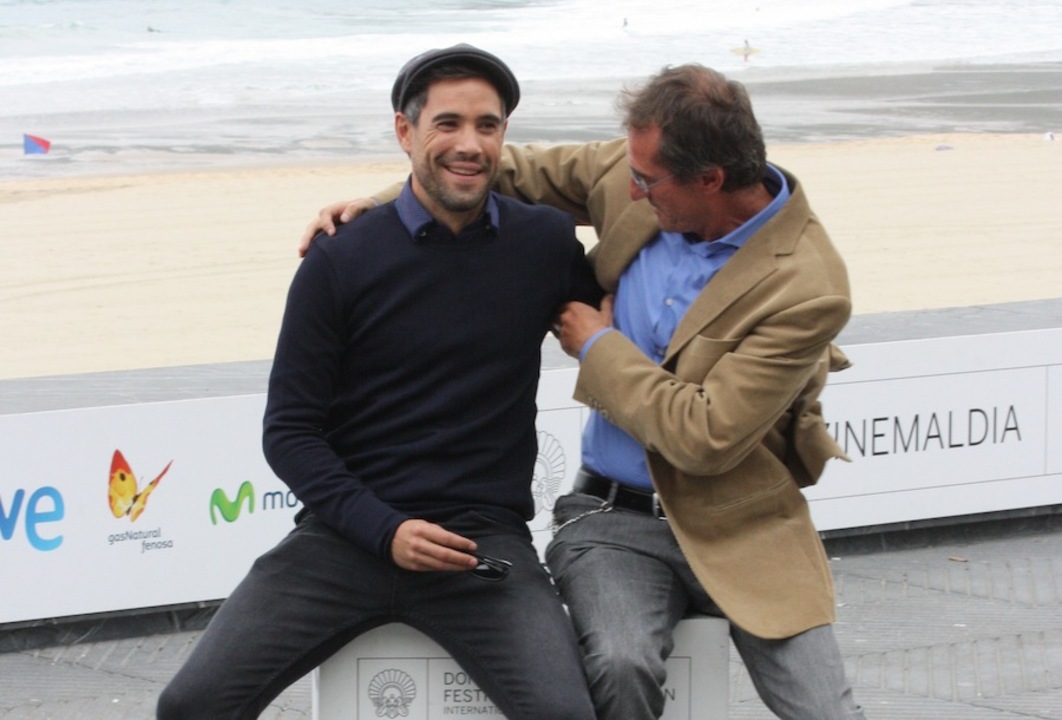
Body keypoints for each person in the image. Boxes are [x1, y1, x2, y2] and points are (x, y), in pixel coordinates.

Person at [302, 64, 866, 720]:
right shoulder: (636, 169)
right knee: (620, 666)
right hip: (612, 517)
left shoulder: (808, 285)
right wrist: (378, 209)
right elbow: (494, 167)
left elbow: (705, 436)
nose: (629, 188)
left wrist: (597, 346)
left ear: (710, 180)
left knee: (829, 712)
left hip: (745, 521)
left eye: (647, 182)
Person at [157, 44, 600, 720]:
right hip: (343, 538)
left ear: (504, 136)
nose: (470, 143)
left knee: (566, 715)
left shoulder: (543, 244)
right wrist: (384, 529)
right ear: (405, 132)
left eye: (487, 125)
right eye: (448, 123)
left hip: (479, 543)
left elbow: (630, 302)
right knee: (191, 705)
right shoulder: (341, 256)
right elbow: (289, 431)